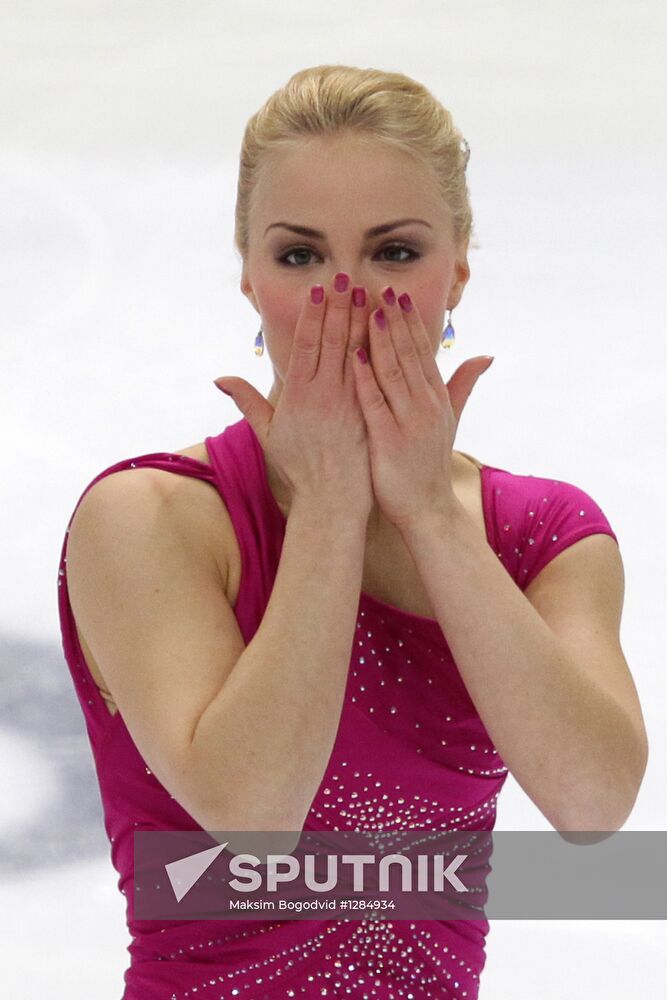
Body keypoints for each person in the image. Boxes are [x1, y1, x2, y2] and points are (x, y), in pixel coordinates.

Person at [58, 64, 648, 999]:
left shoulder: (542, 535)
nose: (348, 295)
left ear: (457, 270)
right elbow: (251, 820)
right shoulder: (153, 518)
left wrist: (428, 516)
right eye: (299, 257)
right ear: (249, 279)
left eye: (394, 253)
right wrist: (330, 506)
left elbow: (593, 805)